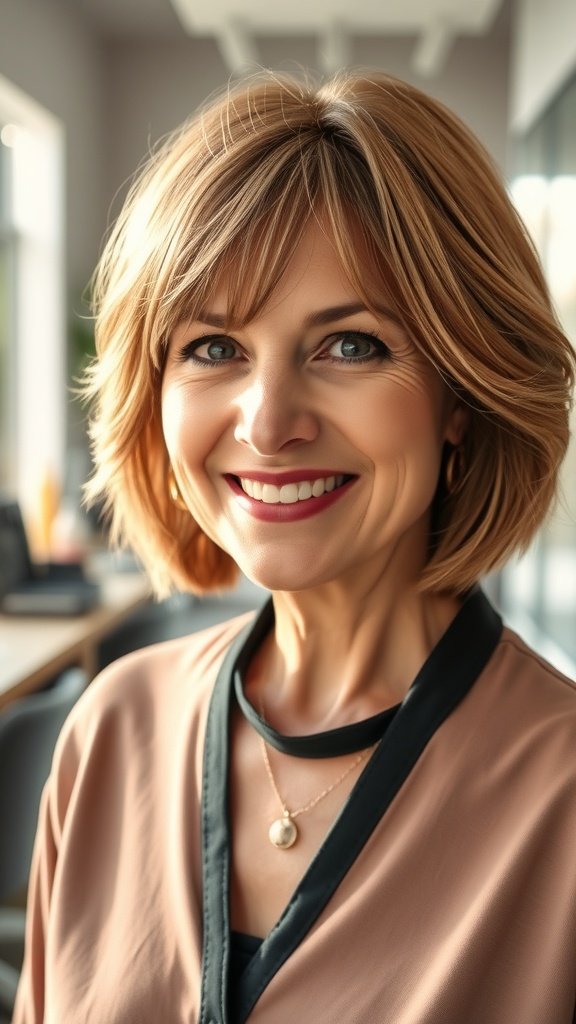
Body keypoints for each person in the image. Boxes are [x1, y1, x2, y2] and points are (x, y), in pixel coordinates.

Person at [14, 69, 576, 1024]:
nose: (268, 423)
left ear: (461, 394)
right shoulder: (111, 732)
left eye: (349, 345)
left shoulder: (560, 794)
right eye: (213, 347)